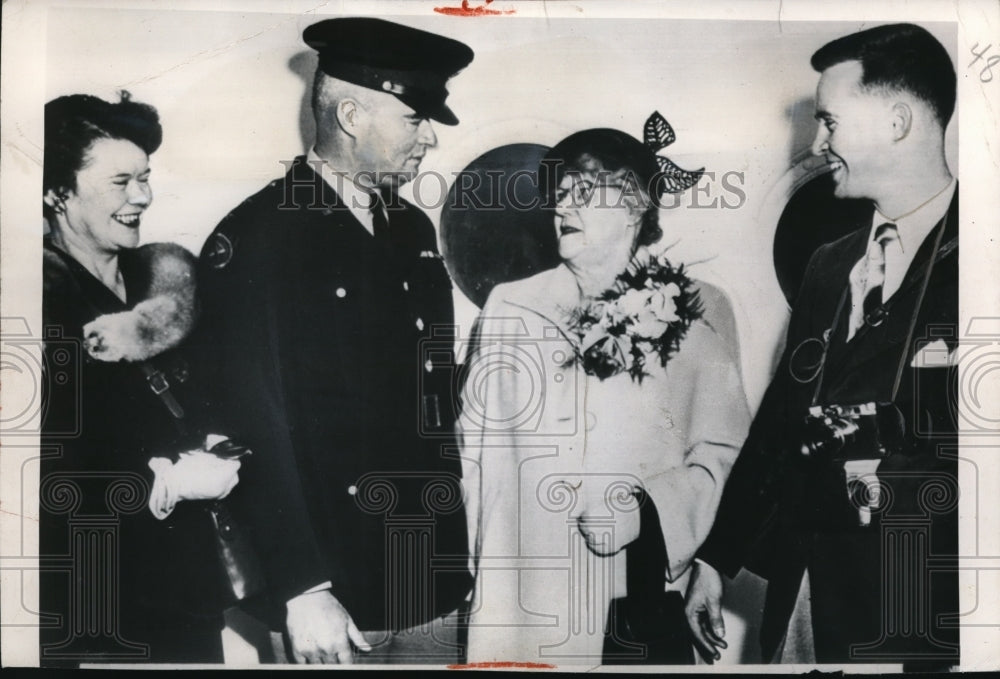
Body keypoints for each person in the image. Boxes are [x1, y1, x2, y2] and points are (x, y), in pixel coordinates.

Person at [192, 18, 475, 665]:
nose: (429, 138)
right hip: (333, 592)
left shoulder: (412, 228)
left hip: (429, 569)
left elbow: (429, 406)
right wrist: (301, 586)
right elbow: (246, 423)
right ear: (350, 113)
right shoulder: (259, 236)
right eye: (415, 118)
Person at [684, 23, 959, 668]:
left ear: (897, 121)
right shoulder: (830, 265)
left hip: (927, 605)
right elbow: (781, 425)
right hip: (809, 590)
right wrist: (716, 559)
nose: (816, 143)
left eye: (830, 122)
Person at [459, 124, 751, 664]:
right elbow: (476, 451)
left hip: (642, 591)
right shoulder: (510, 307)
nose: (563, 208)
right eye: (560, 194)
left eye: (584, 192)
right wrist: (483, 572)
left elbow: (725, 455)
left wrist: (647, 511)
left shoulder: (700, 307)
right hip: (529, 599)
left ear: (636, 207)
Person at [40, 92, 243, 664]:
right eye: (121, 181)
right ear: (57, 191)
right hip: (95, 602)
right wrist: (164, 483)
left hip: (188, 591)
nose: (142, 197)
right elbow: (35, 477)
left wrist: (216, 443)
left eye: (146, 178)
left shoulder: (164, 280)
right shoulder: (33, 299)